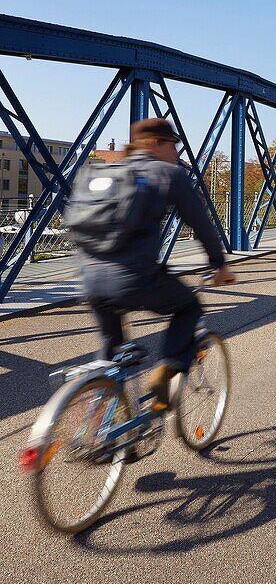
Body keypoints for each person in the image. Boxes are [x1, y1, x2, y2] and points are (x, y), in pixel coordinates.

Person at [76, 118, 235, 407]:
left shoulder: (109, 170)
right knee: (189, 306)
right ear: (153, 144)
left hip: (89, 279)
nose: (176, 153)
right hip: (133, 279)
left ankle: (101, 421)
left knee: (112, 350)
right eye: (172, 145)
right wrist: (219, 264)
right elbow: (200, 224)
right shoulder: (168, 174)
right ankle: (168, 367)